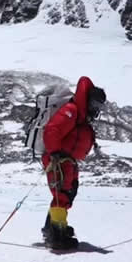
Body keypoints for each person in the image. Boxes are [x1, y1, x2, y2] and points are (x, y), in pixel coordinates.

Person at [40, 76, 106, 250]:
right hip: (58, 159)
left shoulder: (81, 116)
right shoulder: (72, 111)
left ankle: (52, 228)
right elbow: (52, 129)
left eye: (99, 106)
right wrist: (54, 153)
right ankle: (57, 236)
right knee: (62, 194)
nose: (96, 109)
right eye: (95, 105)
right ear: (88, 100)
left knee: (68, 193)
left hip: (67, 160)